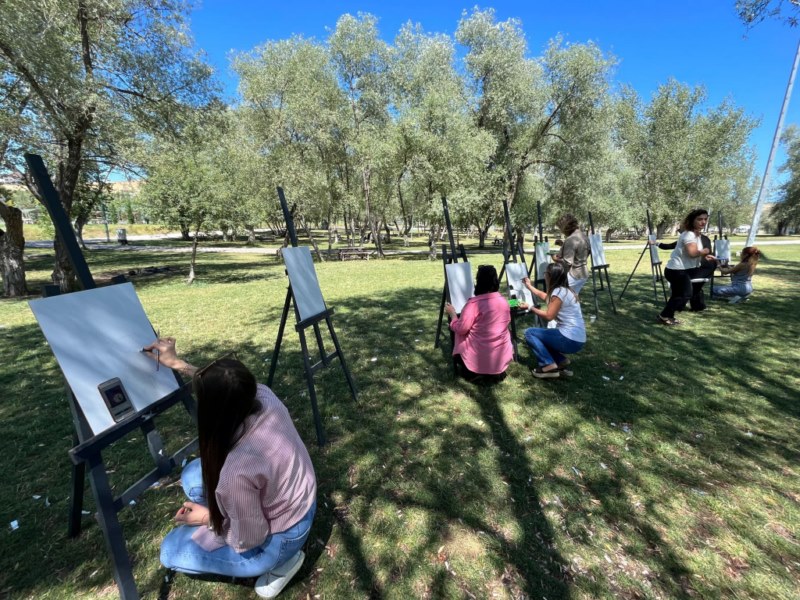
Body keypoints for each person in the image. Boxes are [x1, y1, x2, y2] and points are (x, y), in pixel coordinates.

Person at [142, 338, 316, 599]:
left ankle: (283, 563)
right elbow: (226, 386)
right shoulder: (262, 394)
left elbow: (251, 537)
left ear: (212, 413)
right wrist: (178, 363)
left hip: (282, 536)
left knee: (170, 551)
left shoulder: (236, 473)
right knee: (192, 476)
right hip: (302, 498)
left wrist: (207, 519)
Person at [444, 264, 514, 382]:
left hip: (477, 358)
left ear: (478, 282)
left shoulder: (473, 304)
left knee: (461, 334)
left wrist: (453, 315)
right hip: (500, 358)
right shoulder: (504, 301)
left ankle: (479, 372)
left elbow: (461, 328)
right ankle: (490, 372)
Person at [519, 262, 586, 379]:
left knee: (530, 333)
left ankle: (548, 365)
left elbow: (549, 316)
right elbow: (546, 297)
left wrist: (529, 307)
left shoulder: (558, 293)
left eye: (545, 273)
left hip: (569, 339)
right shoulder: (566, 290)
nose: (544, 276)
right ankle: (561, 361)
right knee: (543, 337)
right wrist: (530, 287)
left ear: (550, 276)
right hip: (578, 339)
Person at [656, 209, 716, 326]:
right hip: (676, 270)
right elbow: (692, 253)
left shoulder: (696, 234)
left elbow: (692, 254)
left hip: (681, 270)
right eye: (699, 219)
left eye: (705, 219)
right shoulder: (689, 234)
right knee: (685, 294)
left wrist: (705, 256)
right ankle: (664, 315)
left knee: (678, 294)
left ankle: (667, 316)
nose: (703, 222)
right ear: (692, 220)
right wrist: (705, 251)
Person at [656, 232, 714, 311]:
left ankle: (681, 305)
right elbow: (670, 246)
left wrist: (656, 243)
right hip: (702, 267)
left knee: (688, 286)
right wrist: (657, 243)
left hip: (702, 267)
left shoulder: (690, 238)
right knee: (690, 285)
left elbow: (670, 246)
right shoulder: (695, 237)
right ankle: (695, 306)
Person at [553, 214, 590, 295]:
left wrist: (555, 258)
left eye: (560, 229)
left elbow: (567, 263)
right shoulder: (583, 236)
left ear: (565, 227)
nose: (561, 231)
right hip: (583, 273)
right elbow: (580, 251)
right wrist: (563, 245)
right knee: (573, 298)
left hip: (573, 274)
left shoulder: (571, 239)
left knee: (559, 297)